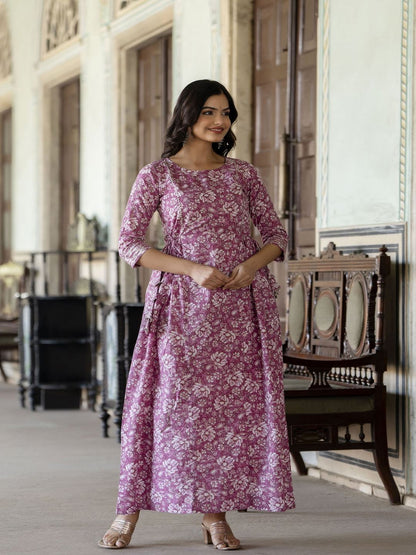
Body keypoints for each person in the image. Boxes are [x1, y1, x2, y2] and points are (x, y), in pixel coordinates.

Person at [99, 79, 295, 550]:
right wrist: (192, 269)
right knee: (165, 407)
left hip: (241, 310)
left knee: (226, 417)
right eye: (209, 112)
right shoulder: (158, 176)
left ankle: (214, 516)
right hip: (182, 309)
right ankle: (128, 511)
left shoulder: (242, 174)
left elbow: (275, 234)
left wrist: (251, 264)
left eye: (226, 113)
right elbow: (129, 244)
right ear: (187, 114)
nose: (219, 121)